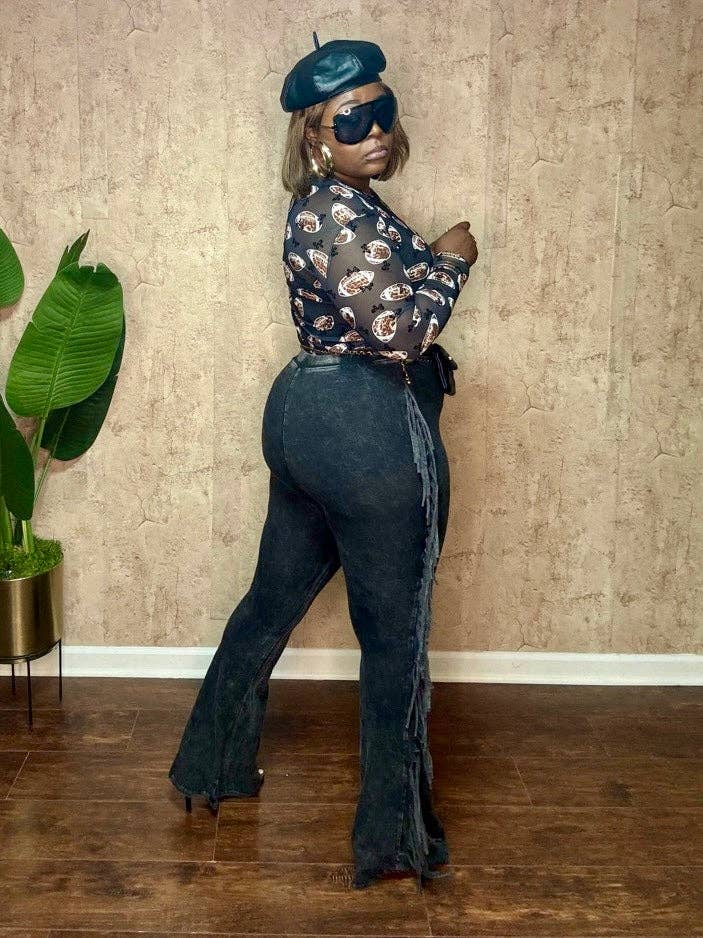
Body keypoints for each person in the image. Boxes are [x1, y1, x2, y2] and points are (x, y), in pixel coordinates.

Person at [168, 33, 478, 892]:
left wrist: (423, 256)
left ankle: (211, 765)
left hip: (306, 415)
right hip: (367, 427)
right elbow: (402, 332)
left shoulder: (344, 205)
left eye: (382, 113)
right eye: (350, 121)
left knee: (269, 604)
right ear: (313, 135)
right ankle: (393, 840)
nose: (372, 131)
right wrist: (452, 259)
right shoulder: (334, 212)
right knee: (395, 640)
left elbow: (377, 295)